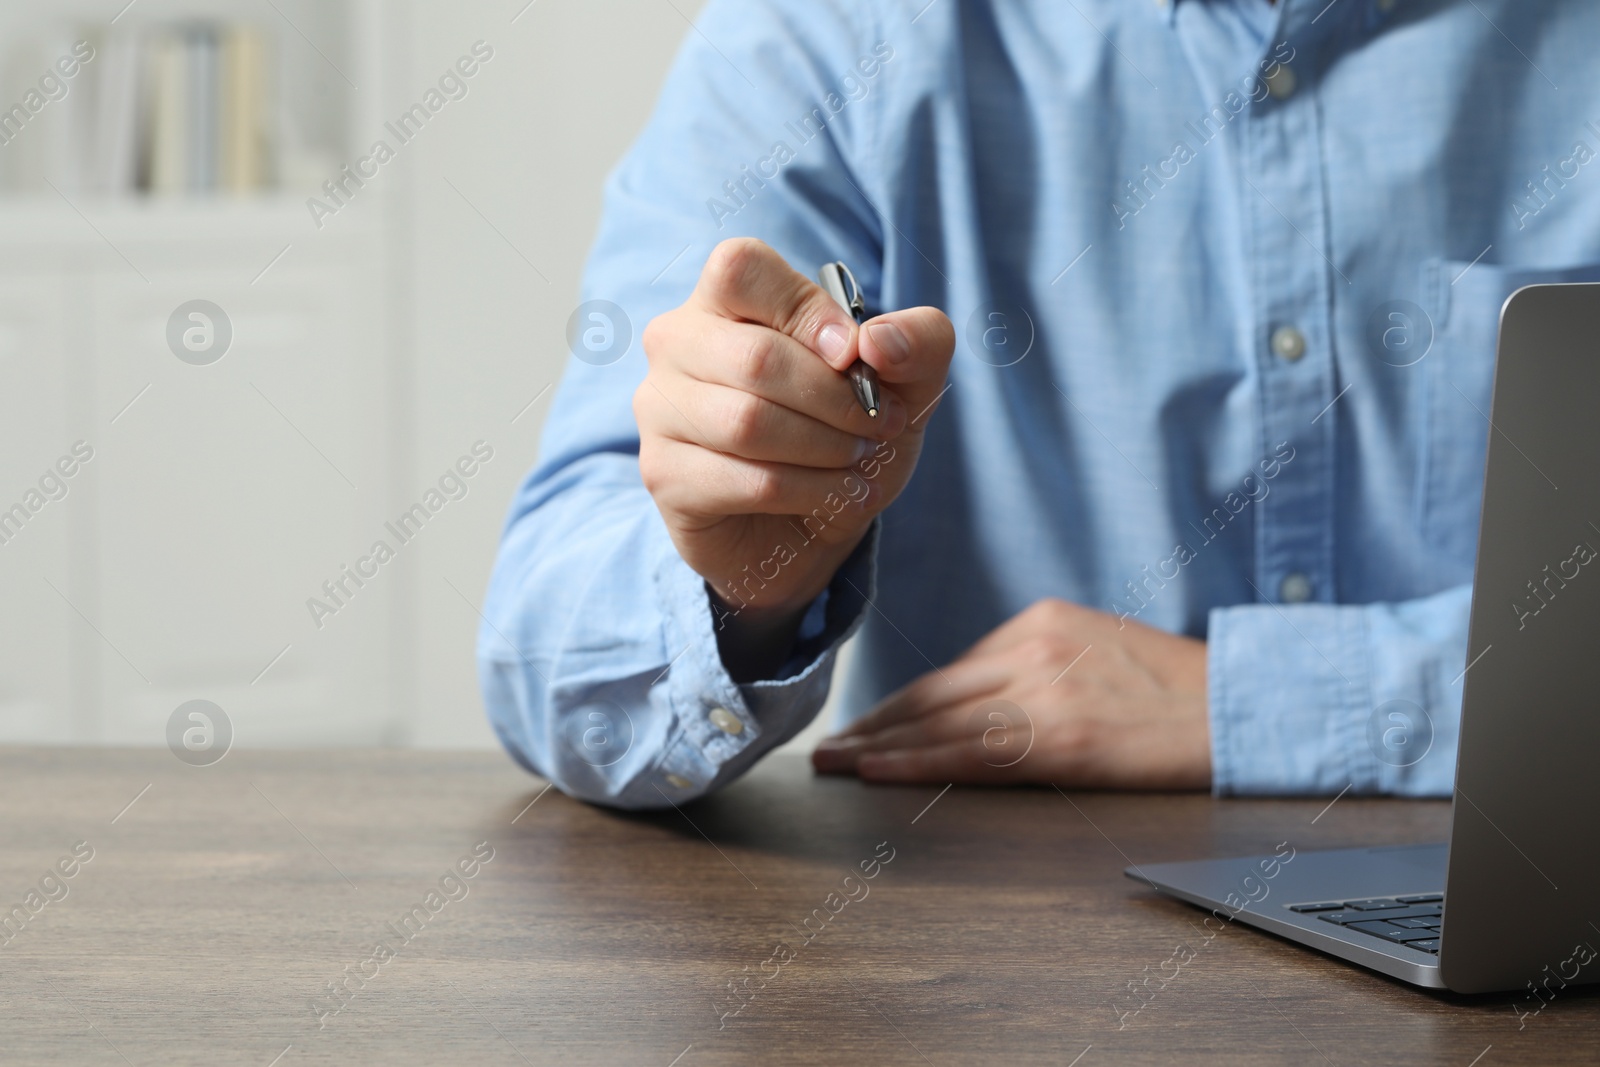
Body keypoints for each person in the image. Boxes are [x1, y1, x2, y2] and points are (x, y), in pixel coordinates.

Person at [479, 0, 1600, 809]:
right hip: (993, 972)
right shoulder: (828, 33)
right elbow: (549, 656)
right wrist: (740, 591)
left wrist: (1257, 701)